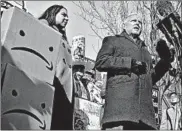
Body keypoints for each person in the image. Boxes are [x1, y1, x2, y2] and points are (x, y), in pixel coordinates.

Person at [95, 13, 173, 130]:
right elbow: (101, 61)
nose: (137, 23)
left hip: (145, 118)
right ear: (124, 25)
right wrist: (129, 63)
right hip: (120, 113)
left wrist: (165, 61)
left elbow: (150, 78)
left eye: (140, 22)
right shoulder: (113, 40)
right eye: (133, 21)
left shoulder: (145, 51)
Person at [38, 5, 72, 130]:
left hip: (63, 88)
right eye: (63, 14)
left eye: (68, 16)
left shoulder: (63, 38)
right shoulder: (43, 26)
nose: (67, 19)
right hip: (51, 83)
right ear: (53, 13)